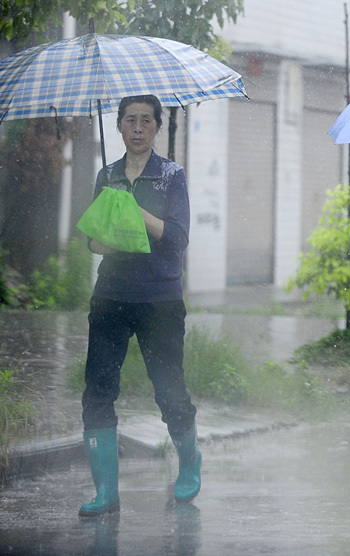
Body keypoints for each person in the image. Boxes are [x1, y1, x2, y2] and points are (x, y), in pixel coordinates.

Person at [79, 95, 200, 516]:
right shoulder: (107, 175)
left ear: (157, 128)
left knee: (169, 391)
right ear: (118, 126)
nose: (137, 127)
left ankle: (190, 461)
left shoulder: (171, 176)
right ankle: (106, 492)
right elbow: (92, 240)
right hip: (111, 295)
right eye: (130, 119)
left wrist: (136, 213)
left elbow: (178, 237)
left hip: (159, 299)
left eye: (146, 120)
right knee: (98, 390)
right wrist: (107, 239)